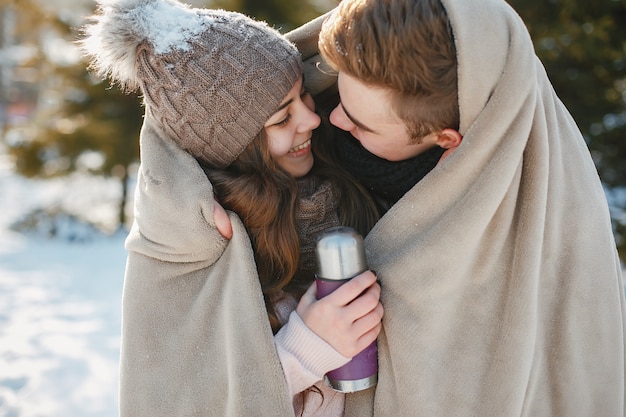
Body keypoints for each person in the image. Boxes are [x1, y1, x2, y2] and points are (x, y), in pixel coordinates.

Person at [287, 0, 626, 415]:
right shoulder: (298, 125)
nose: (332, 119)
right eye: (337, 91)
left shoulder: (553, 232)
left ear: (447, 140)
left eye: (363, 124)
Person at [80, 0, 383, 416]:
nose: (311, 121)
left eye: (303, 98)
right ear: (237, 148)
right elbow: (180, 403)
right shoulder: (192, 245)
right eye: (281, 118)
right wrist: (307, 348)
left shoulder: (345, 181)